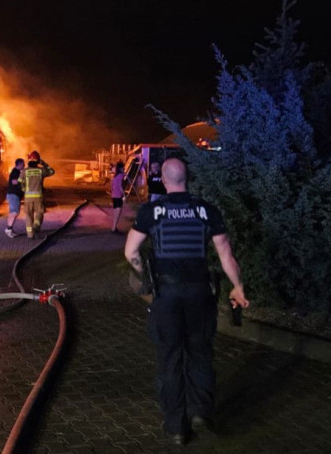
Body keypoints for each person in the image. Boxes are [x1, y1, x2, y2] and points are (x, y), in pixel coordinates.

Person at [123, 158, 249, 448]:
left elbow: (131, 252)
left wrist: (147, 277)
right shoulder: (206, 210)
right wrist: (238, 287)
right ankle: (202, 414)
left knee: (169, 359)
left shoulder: (152, 211)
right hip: (200, 295)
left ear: (164, 181)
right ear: (188, 178)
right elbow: (226, 254)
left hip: (166, 296)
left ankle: (177, 427)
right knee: (200, 353)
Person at [22, 150, 55, 239]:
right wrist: (43, 163)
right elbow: (52, 171)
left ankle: (30, 234)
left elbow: (20, 182)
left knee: (29, 215)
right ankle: (36, 227)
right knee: (39, 213)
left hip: (28, 198)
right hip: (38, 198)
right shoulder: (41, 171)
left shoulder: (24, 171)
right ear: (38, 161)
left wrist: (24, 190)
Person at [5, 158, 26, 238]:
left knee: (13, 212)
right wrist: (23, 181)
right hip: (14, 195)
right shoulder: (15, 172)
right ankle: (8, 229)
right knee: (14, 212)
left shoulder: (16, 171)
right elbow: (14, 182)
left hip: (13, 195)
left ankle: (10, 229)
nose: (24, 165)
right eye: (23, 164)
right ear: (20, 164)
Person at [110, 161, 126, 233]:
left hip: (113, 196)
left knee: (115, 212)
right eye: (123, 167)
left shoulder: (114, 176)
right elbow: (120, 186)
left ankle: (113, 227)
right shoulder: (121, 176)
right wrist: (124, 194)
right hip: (118, 196)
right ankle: (114, 228)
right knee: (118, 213)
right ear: (121, 168)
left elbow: (112, 185)